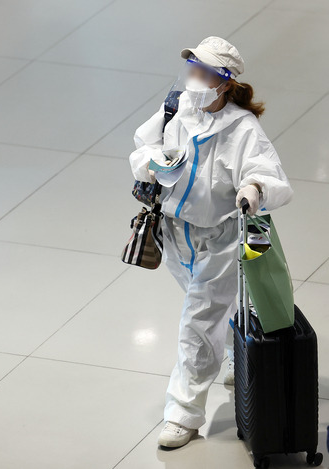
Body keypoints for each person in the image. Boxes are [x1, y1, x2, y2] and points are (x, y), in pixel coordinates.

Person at [129, 36, 293, 448]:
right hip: (173, 231)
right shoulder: (176, 108)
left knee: (198, 323)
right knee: (205, 306)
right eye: (191, 68)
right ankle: (240, 353)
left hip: (219, 238)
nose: (192, 78)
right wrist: (151, 163)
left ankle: (183, 413)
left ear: (222, 82)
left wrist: (254, 188)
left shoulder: (242, 128)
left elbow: (268, 174)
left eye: (201, 71)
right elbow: (143, 143)